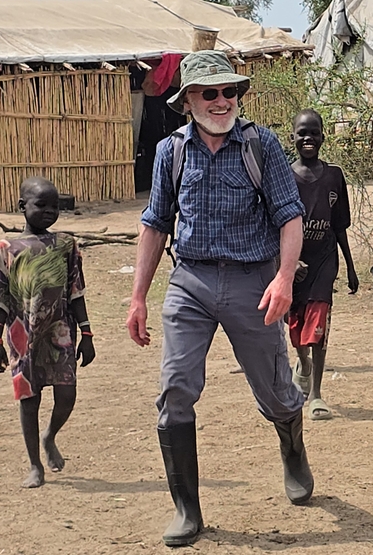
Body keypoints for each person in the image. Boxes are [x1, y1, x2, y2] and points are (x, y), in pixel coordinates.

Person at [128, 50, 311, 546]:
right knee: (175, 391)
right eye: (209, 93)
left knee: (275, 391)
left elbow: (289, 216)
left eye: (229, 91)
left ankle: (292, 445)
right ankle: (187, 510)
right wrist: (138, 296)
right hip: (190, 282)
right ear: (187, 100)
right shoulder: (172, 152)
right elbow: (155, 223)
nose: (221, 101)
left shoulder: (261, 146)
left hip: (254, 283)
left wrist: (284, 280)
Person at [0, 177, 94, 489]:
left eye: (55, 206)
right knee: (29, 400)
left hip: (60, 332)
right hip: (23, 335)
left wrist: (87, 334)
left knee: (67, 395)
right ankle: (35, 464)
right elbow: (0, 297)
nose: (50, 212)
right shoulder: (7, 248)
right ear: (22, 207)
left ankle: (50, 436)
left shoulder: (65, 245)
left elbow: (76, 292)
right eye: (41, 205)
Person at [289, 109, 359, 421]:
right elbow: (276, 225)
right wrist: (287, 262)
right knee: (295, 329)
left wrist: (351, 267)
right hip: (293, 266)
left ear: (323, 137)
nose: (308, 139)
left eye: (314, 133)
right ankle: (302, 363)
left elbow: (339, 225)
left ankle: (316, 394)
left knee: (318, 327)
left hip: (323, 264)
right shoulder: (284, 176)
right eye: (302, 133)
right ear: (293, 137)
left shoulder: (334, 176)